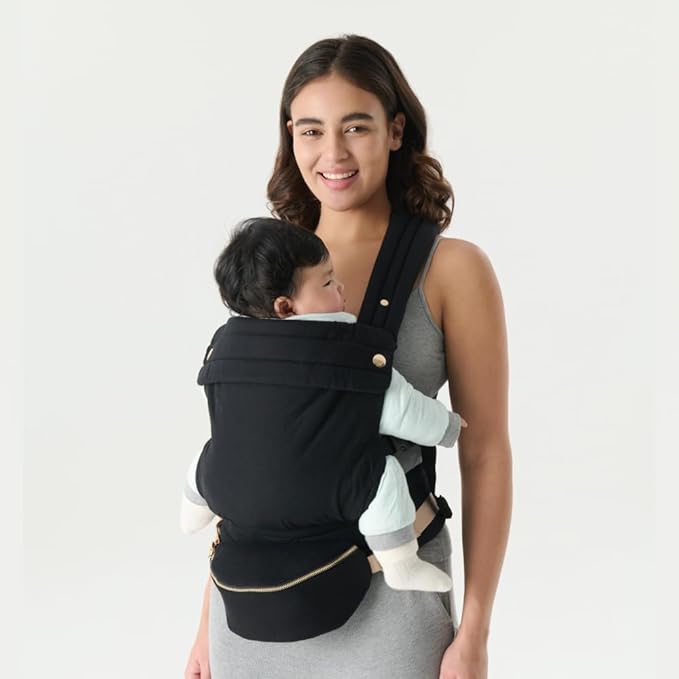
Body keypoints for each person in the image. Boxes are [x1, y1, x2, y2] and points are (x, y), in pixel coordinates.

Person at [185, 34, 511, 679]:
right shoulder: (269, 270)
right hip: (250, 608)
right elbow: (253, 452)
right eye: (311, 130)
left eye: (355, 127)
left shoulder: (452, 269)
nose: (332, 153)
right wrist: (204, 626)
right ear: (291, 137)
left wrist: (474, 631)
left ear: (396, 131)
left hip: (394, 598)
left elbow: (486, 453)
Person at [180, 217, 468, 594]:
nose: (341, 286)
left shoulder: (224, 351)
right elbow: (403, 411)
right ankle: (401, 562)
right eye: (328, 282)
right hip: (322, 492)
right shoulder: (347, 353)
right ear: (285, 306)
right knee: (384, 476)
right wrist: (447, 427)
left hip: (231, 490)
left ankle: (192, 510)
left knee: (210, 456)